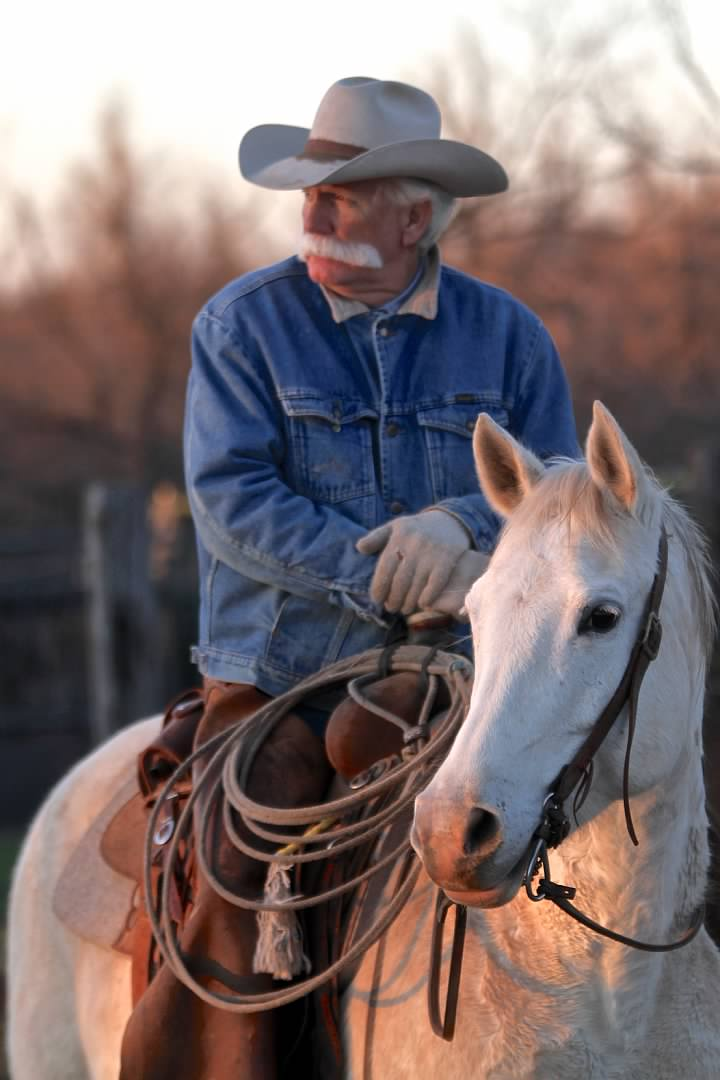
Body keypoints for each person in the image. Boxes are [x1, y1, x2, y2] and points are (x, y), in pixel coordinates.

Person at [119, 76, 579, 1078]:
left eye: (346, 191)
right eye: (312, 188)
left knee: (608, 803)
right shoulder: (242, 327)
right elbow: (233, 498)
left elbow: (557, 486)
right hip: (285, 670)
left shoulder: (510, 338)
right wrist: (376, 571)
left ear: (414, 216)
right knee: (245, 865)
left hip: (471, 665)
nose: (314, 207)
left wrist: (461, 528)